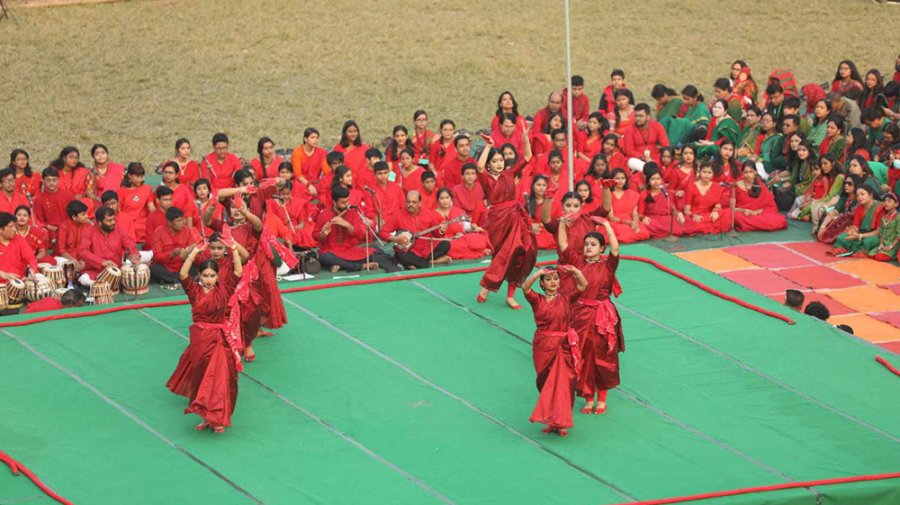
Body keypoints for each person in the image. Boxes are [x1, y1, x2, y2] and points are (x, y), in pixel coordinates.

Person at [166, 241, 243, 434]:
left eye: (212, 275)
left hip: (218, 340)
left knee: (218, 379)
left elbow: (238, 272)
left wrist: (233, 249)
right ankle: (206, 418)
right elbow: (183, 275)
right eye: (205, 275)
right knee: (201, 378)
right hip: (200, 340)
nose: (209, 279)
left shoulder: (224, 290)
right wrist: (194, 252)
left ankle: (217, 418)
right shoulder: (195, 292)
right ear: (199, 276)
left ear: (217, 276)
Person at [558, 219, 623, 416]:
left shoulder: (609, 265)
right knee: (582, 357)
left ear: (602, 248)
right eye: (586, 244)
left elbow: (616, 247)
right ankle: (588, 397)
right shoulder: (577, 261)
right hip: (579, 316)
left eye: (593, 244)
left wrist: (606, 225)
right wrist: (562, 223)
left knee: (602, 357)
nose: (588, 247)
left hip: (602, 318)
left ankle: (601, 399)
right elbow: (563, 244)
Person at [522, 265, 587, 437]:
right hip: (543, 346)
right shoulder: (537, 300)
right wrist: (537, 274)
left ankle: (562, 421)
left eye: (556, 278)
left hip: (563, 346)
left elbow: (582, 286)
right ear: (542, 284)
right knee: (546, 383)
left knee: (566, 382)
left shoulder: (567, 298)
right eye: (548, 279)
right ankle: (551, 420)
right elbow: (525, 287)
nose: (553, 282)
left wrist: (576, 272)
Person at [475, 141, 538, 309]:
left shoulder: (509, 174)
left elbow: (527, 157)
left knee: (519, 252)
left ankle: (510, 296)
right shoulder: (486, 178)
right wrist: (488, 146)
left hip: (515, 218)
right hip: (498, 220)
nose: (499, 163)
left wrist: (525, 139)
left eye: (501, 160)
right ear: (489, 164)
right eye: (494, 161)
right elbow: (479, 167)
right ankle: (487, 287)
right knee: (501, 255)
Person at [315, 186, 399, 273]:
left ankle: (341, 265)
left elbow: (358, 234)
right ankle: (360, 266)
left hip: (350, 250)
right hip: (333, 252)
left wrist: (347, 224)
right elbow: (316, 236)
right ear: (334, 202)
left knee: (376, 252)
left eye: (347, 201)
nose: (347, 204)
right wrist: (323, 234)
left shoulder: (352, 212)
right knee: (325, 257)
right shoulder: (324, 215)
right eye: (343, 203)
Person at [379, 190, 451, 269]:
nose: (410, 205)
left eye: (414, 202)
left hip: (425, 249)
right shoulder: (398, 215)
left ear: (420, 203)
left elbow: (436, 234)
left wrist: (441, 231)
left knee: (446, 244)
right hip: (408, 250)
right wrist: (395, 238)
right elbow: (382, 232)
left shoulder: (428, 213)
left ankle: (421, 263)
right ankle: (430, 262)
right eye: (408, 202)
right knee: (400, 255)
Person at [77, 206, 142, 287]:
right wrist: (101, 262)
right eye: (109, 220)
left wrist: (134, 255)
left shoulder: (119, 231)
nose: (113, 222)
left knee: (134, 272)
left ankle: (103, 285)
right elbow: (82, 251)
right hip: (95, 270)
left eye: (113, 219)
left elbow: (130, 245)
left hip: (116, 270)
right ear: (99, 222)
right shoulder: (88, 232)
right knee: (84, 279)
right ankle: (99, 286)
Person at [830, 184, 884, 257]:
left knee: (871, 241)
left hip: (873, 235)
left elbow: (879, 232)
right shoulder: (859, 207)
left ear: (871, 195)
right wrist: (852, 231)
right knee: (841, 237)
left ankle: (859, 250)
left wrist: (860, 236)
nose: (859, 197)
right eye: (858, 196)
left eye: (862, 194)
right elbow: (856, 226)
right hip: (860, 234)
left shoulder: (879, 208)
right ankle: (850, 249)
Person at [150, 207, 201, 286]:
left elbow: (193, 251)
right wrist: (171, 254)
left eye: (182, 220)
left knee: (196, 265)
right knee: (154, 268)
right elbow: (156, 256)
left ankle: (173, 280)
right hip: (166, 267)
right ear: (169, 222)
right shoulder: (158, 232)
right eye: (178, 221)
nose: (181, 223)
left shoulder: (187, 231)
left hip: (183, 266)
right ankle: (179, 279)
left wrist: (189, 250)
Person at [639, 164, 691, 238]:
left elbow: (672, 209)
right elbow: (640, 214)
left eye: (658, 179)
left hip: (666, 219)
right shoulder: (644, 194)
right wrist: (643, 218)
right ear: (648, 181)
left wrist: (679, 214)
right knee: (646, 225)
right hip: (653, 220)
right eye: (653, 179)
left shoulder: (666, 192)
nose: (656, 182)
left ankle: (667, 230)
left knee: (683, 222)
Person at [733, 161, 788, 232]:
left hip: (759, 214)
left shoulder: (760, 185)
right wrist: (744, 210)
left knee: (779, 220)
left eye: (751, 172)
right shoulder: (736, 185)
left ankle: (750, 225)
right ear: (742, 173)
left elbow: (771, 206)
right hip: (744, 214)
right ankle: (754, 225)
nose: (748, 175)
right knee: (737, 217)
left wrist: (759, 211)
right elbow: (732, 208)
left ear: (755, 172)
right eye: (746, 172)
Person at [684, 162, 731, 234]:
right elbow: (686, 210)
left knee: (727, 212)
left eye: (709, 173)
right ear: (699, 172)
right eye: (704, 172)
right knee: (692, 224)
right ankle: (709, 227)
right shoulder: (691, 187)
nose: (706, 175)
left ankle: (708, 226)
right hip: (697, 217)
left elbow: (717, 204)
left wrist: (716, 211)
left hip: (709, 215)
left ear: (713, 174)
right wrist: (694, 215)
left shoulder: (716, 186)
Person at [33, 167, 74, 249]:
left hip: (67, 228)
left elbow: (74, 214)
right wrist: (49, 227)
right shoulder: (39, 199)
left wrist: (64, 227)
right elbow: (39, 220)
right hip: (50, 231)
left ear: (59, 180)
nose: (51, 183)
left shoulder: (68, 195)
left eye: (54, 180)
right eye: (48, 180)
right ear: (43, 181)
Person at [622, 103, 670, 168]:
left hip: (655, 159)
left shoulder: (657, 126)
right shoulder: (629, 130)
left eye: (641, 116)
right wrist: (644, 158)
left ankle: (651, 169)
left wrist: (656, 159)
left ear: (648, 117)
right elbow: (629, 151)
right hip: (638, 160)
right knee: (631, 161)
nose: (638, 118)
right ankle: (650, 170)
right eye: (636, 116)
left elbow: (666, 145)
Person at [117, 162, 156, 243]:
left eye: (142, 176)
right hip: (126, 221)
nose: (140, 179)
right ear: (130, 176)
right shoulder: (121, 191)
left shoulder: (146, 189)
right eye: (138, 176)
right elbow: (118, 210)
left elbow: (151, 208)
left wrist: (160, 218)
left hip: (141, 222)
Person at [608, 169, 650, 243]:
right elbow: (611, 217)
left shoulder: (632, 194)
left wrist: (635, 222)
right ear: (612, 180)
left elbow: (634, 213)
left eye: (623, 178)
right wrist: (628, 222)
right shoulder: (609, 195)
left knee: (644, 233)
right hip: (617, 221)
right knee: (624, 235)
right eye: (617, 178)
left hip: (630, 220)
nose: (620, 181)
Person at [0, 212, 41, 283]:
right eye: (11, 226)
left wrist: (32, 269)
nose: (15, 229)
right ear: (0, 229)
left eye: (14, 226)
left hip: (21, 282)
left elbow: (30, 258)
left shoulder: (19, 239)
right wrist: (2, 274)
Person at [290, 128, 330, 200]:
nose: (315, 140)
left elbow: (326, 171)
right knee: (299, 189)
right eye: (312, 137)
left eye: (317, 138)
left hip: (316, 183)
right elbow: (297, 175)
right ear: (305, 139)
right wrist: (308, 185)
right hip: (301, 183)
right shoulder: (297, 152)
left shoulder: (322, 153)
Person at [55, 200, 90, 271]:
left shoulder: (87, 225)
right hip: (66, 257)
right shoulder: (64, 226)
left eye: (86, 213)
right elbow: (61, 249)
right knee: (69, 265)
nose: (87, 216)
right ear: (74, 217)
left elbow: (89, 247)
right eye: (83, 214)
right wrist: (72, 259)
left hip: (82, 258)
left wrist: (84, 259)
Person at [868, 192, 899, 261]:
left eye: (889, 201)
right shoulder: (884, 217)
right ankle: (882, 250)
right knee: (870, 255)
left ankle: (893, 255)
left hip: (893, 245)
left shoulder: (898, 217)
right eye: (885, 200)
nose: (886, 203)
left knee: (879, 257)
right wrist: (881, 244)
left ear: (896, 204)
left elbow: (899, 235)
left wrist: (890, 246)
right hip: (883, 244)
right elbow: (881, 232)